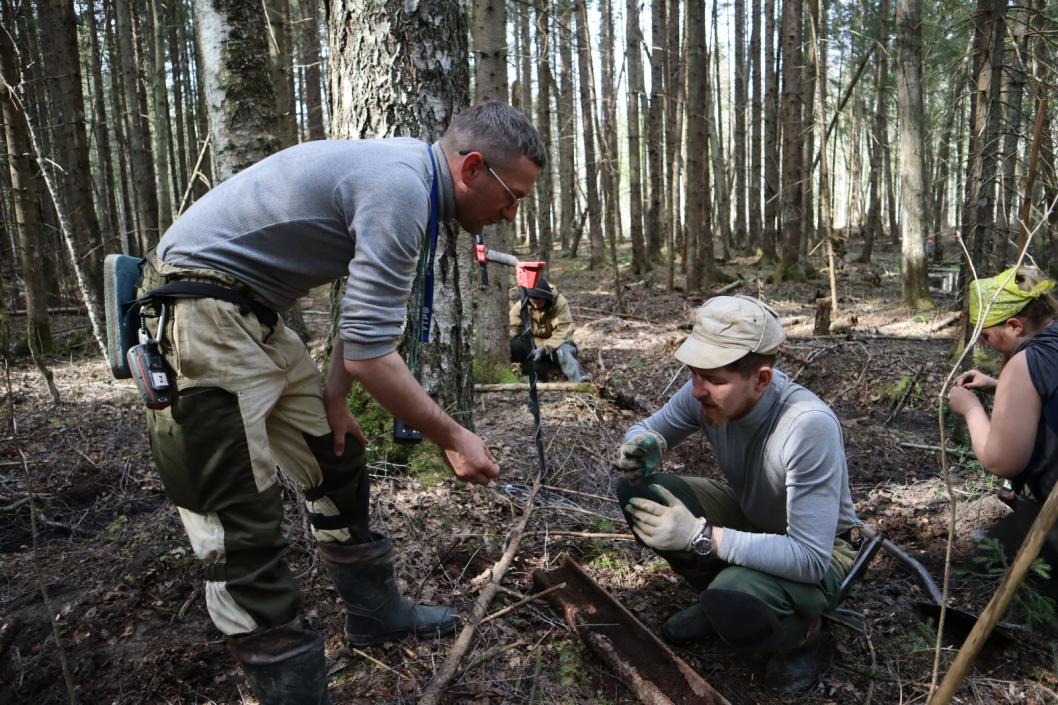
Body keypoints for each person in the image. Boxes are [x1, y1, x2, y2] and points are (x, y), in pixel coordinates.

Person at [134, 102, 545, 705]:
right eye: (512, 196)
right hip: (199, 316)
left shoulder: (415, 181)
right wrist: (453, 436)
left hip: (253, 315)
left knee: (337, 452)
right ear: (474, 168)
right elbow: (371, 356)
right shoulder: (402, 189)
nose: (510, 214)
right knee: (239, 524)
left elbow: (363, 316)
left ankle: (375, 615)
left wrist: (333, 398)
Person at [614, 295, 859, 694]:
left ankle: (802, 636)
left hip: (824, 549)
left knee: (737, 596)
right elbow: (645, 428)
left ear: (761, 379)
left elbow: (811, 559)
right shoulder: (705, 390)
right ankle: (718, 598)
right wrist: (643, 442)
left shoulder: (807, 426)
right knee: (639, 490)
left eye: (713, 379)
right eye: (694, 373)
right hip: (754, 518)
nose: (697, 390)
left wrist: (700, 537)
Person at [948, 266, 1058, 585]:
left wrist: (970, 410)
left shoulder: (1025, 363)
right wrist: (1000, 386)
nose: (986, 344)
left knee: (984, 562)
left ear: (1013, 326)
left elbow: (1001, 460)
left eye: (986, 336)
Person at [508, 277, 591, 382]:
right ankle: (526, 376)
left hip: (556, 343)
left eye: (539, 303)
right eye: (533, 302)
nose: (535, 305)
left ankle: (577, 380)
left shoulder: (559, 303)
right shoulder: (522, 305)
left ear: (546, 299)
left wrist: (544, 348)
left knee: (565, 350)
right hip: (533, 344)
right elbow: (512, 329)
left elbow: (565, 330)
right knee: (513, 345)